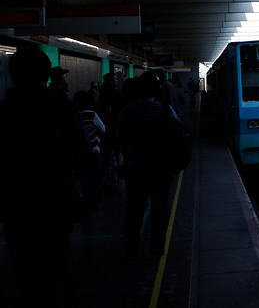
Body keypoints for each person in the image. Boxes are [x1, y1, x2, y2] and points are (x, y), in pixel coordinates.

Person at [0, 48, 93, 307]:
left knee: (24, 275)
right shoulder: (60, 105)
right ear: (45, 74)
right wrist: (86, 201)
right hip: (56, 205)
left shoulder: (4, 110)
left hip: (15, 208)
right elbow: (83, 153)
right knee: (53, 275)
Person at [116, 71, 182, 259]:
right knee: (161, 209)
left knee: (135, 210)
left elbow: (118, 137)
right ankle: (157, 249)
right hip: (161, 169)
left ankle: (132, 249)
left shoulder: (127, 111)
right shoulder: (164, 109)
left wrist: (128, 154)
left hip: (135, 169)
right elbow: (179, 133)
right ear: (157, 90)